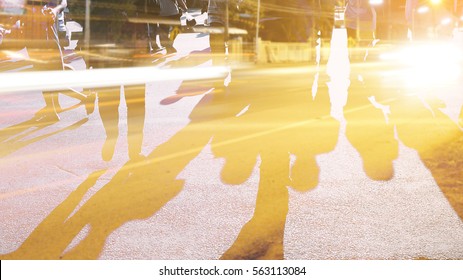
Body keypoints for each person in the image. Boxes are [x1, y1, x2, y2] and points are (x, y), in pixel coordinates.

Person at [87, 1, 148, 162]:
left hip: (107, 49)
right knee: (135, 103)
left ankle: (111, 134)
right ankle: (134, 151)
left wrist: (91, 57)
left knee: (108, 100)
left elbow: (90, 19)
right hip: (133, 47)